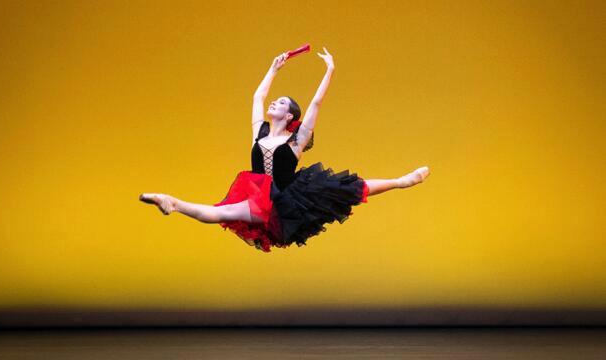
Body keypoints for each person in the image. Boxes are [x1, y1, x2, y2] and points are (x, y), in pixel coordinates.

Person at [140, 47, 430, 252]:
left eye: (280, 103)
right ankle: (172, 202)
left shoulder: (296, 141)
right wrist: (273, 68)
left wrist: (329, 70)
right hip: (257, 195)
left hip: (288, 197)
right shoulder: (260, 132)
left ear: (289, 116)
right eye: (274, 102)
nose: (273, 104)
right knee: (220, 213)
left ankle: (402, 182)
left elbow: (316, 105)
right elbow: (257, 96)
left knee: (351, 188)